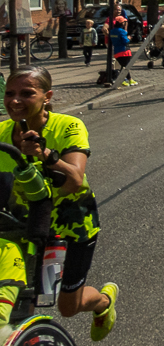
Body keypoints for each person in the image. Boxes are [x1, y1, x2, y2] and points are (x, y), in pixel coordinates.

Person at [0, 67, 119, 340]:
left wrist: (45, 154)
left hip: (69, 222)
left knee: (68, 306)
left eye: (27, 93)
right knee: (21, 297)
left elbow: (74, 180)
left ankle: (103, 302)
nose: (15, 100)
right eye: (9, 93)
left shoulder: (68, 125)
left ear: (47, 96)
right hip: (20, 224)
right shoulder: (2, 132)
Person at [110, 16, 137, 87]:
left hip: (116, 51)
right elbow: (125, 41)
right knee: (125, 67)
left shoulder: (112, 31)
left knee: (124, 66)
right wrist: (128, 38)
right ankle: (123, 79)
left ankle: (129, 79)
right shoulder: (121, 31)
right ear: (122, 23)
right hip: (124, 51)